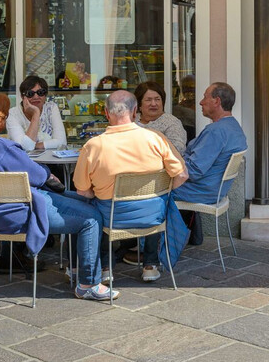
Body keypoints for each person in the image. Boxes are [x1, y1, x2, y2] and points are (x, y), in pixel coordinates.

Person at [0, 93, 116, 301]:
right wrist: (48, 174)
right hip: (23, 213)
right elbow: (38, 175)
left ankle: (76, 269)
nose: (5, 119)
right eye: (3, 114)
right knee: (91, 218)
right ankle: (88, 284)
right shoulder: (2, 147)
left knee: (82, 200)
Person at [73, 91, 190, 283]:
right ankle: (150, 266)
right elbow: (182, 175)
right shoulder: (156, 138)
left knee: (93, 205)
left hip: (112, 217)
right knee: (159, 200)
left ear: (106, 113)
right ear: (135, 111)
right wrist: (163, 194)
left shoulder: (93, 146)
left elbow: (82, 191)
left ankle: (105, 268)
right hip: (152, 215)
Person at [171, 82, 248, 246]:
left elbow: (193, 171)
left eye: (205, 97)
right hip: (215, 189)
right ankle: (190, 235)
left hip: (201, 191)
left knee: (153, 191)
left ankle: (155, 249)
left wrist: (167, 163)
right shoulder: (234, 127)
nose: (200, 102)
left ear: (217, 101)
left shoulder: (216, 131)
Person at [6, 75, 67, 152]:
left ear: (45, 95)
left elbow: (62, 142)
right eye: (30, 93)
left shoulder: (51, 108)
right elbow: (26, 147)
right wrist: (36, 113)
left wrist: (36, 145)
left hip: (51, 158)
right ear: (22, 96)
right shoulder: (13, 114)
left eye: (40, 92)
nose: (36, 97)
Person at [134, 81, 188, 155]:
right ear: (139, 104)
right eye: (148, 100)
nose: (153, 104)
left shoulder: (172, 123)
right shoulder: (130, 119)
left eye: (157, 99)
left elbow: (177, 150)